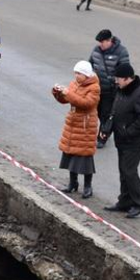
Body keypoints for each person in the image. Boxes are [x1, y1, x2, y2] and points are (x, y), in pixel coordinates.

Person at [101, 62, 140, 219]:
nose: (116, 81)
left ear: (128, 79)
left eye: (119, 78)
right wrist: (106, 130)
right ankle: (124, 201)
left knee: (129, 171)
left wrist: (128, 132)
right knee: (123, 171)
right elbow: (114, 112)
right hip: (121, 139)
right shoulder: (122, 90)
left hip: (134, 142)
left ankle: (139, 203)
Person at [53, 60, 100, 198]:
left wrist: (68, 93)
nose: (76, 76)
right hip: (73, 123)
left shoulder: (94, 87)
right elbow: (66, 100)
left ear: (86, 75)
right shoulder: (75, 84)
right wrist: (58, 93)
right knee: (70, 154)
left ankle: (87, 186)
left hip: (85, 125)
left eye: (79, 73)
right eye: (75, 73)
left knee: (85, 157)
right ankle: (73, 183)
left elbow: (86, 103)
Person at [89, 29, 130, 149]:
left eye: (102, 42)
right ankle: (105, 130)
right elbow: (90, 64)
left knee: (106, 114)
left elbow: (124, 71)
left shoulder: (121, 52)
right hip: (96, 89)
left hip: (111, 90)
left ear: (110, 41)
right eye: (99, 42)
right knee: (97, 113)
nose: (100, 45)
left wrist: (114, 80)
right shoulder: (96, 50)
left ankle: (102, 137)